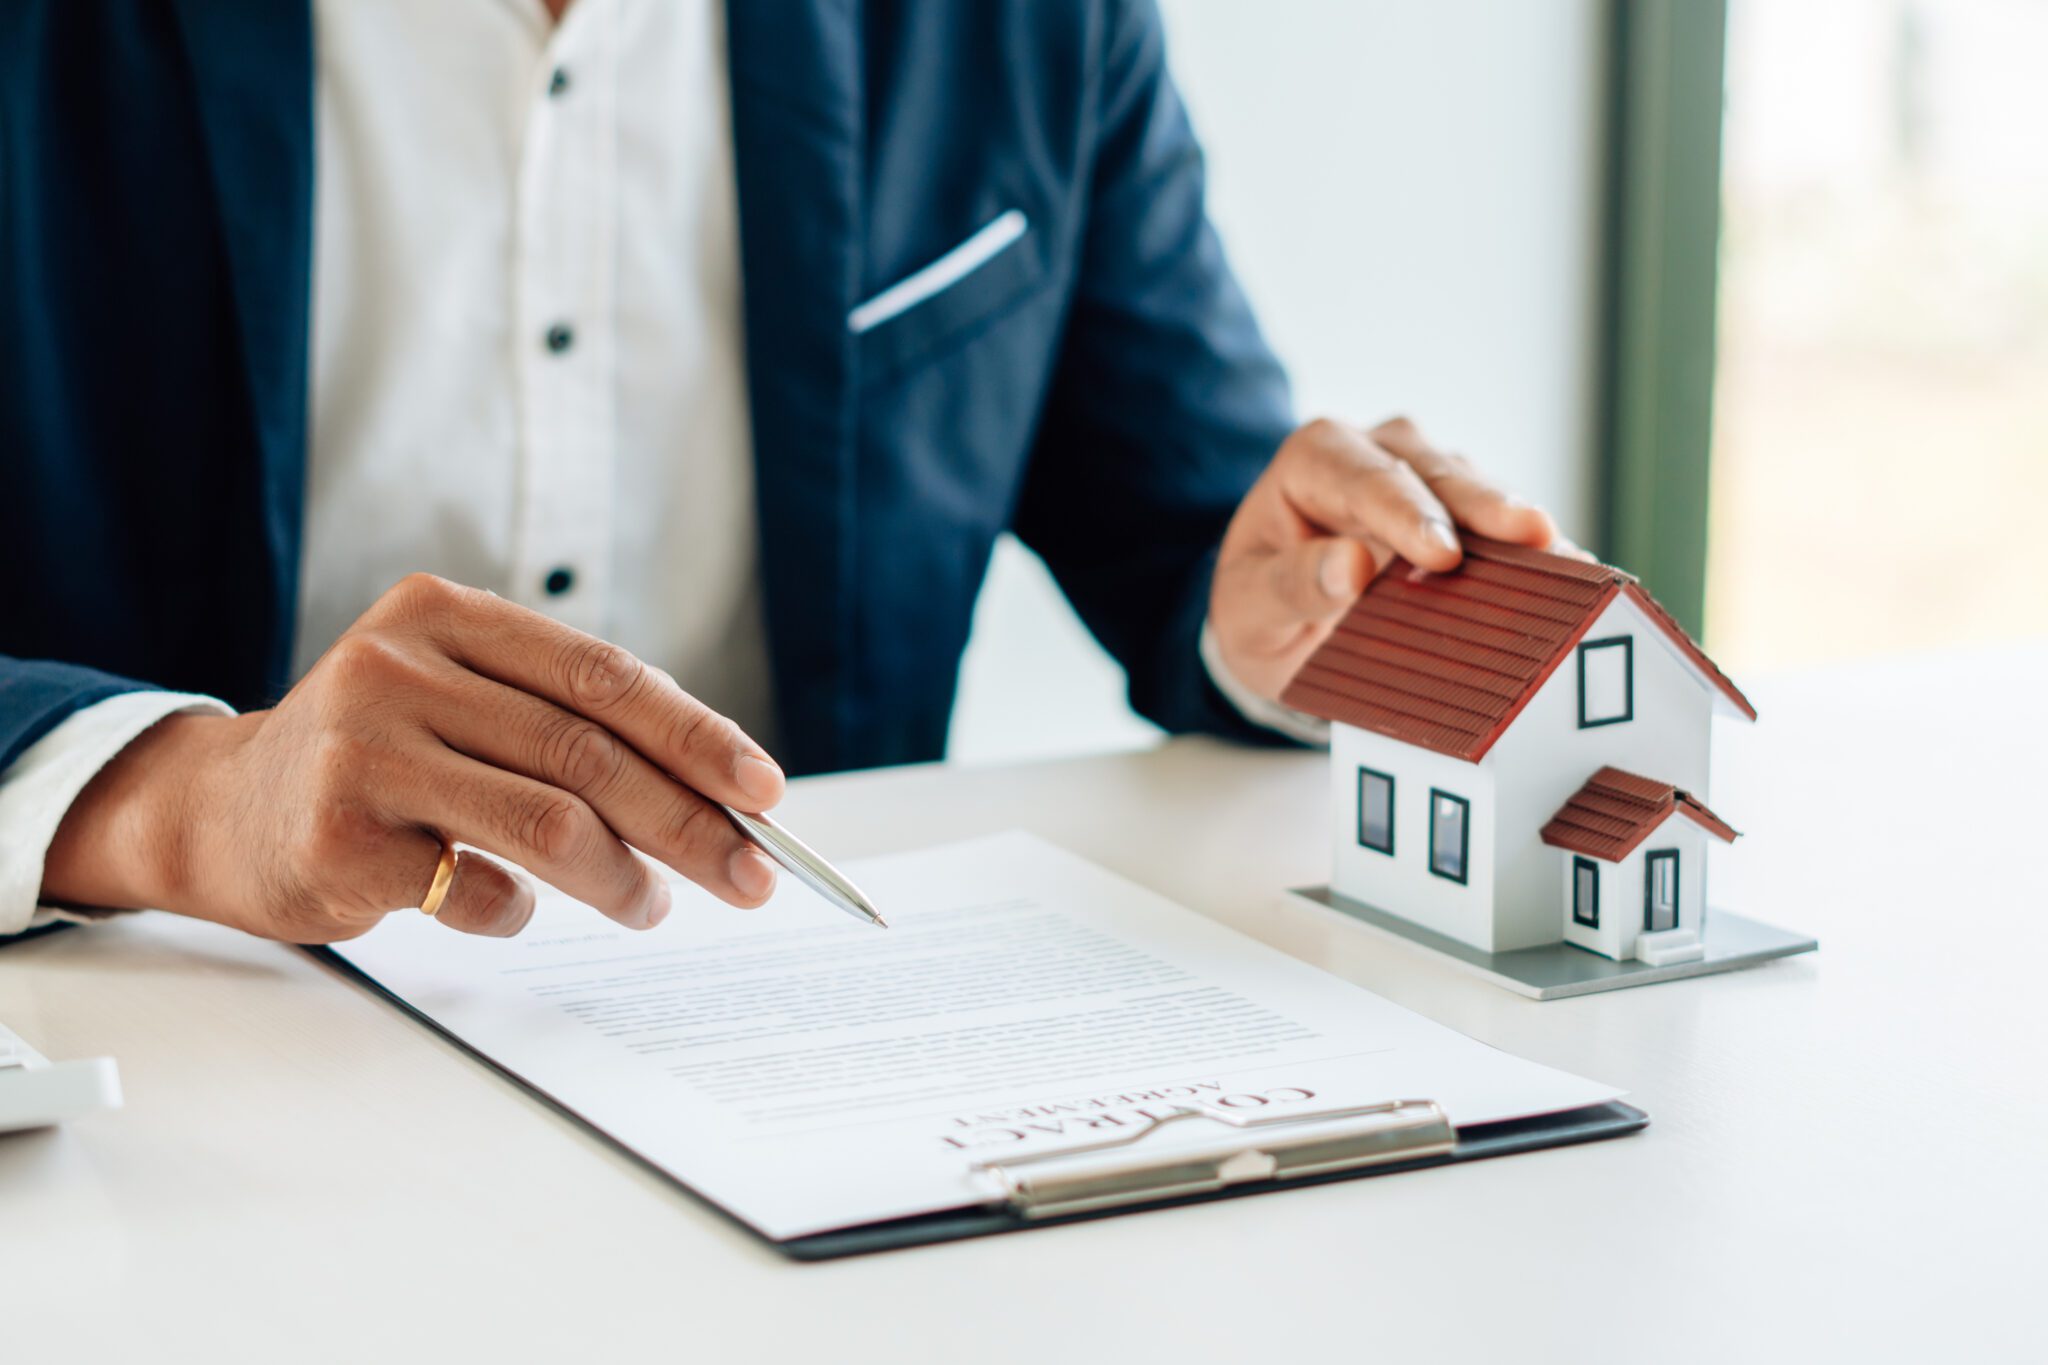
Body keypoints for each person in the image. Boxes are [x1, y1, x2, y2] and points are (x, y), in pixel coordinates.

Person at [0, 0, 1564, 946]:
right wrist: (185, 801)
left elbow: (1183, 526)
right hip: (175, 1075)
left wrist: (1289, 597)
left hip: (803, 1097)